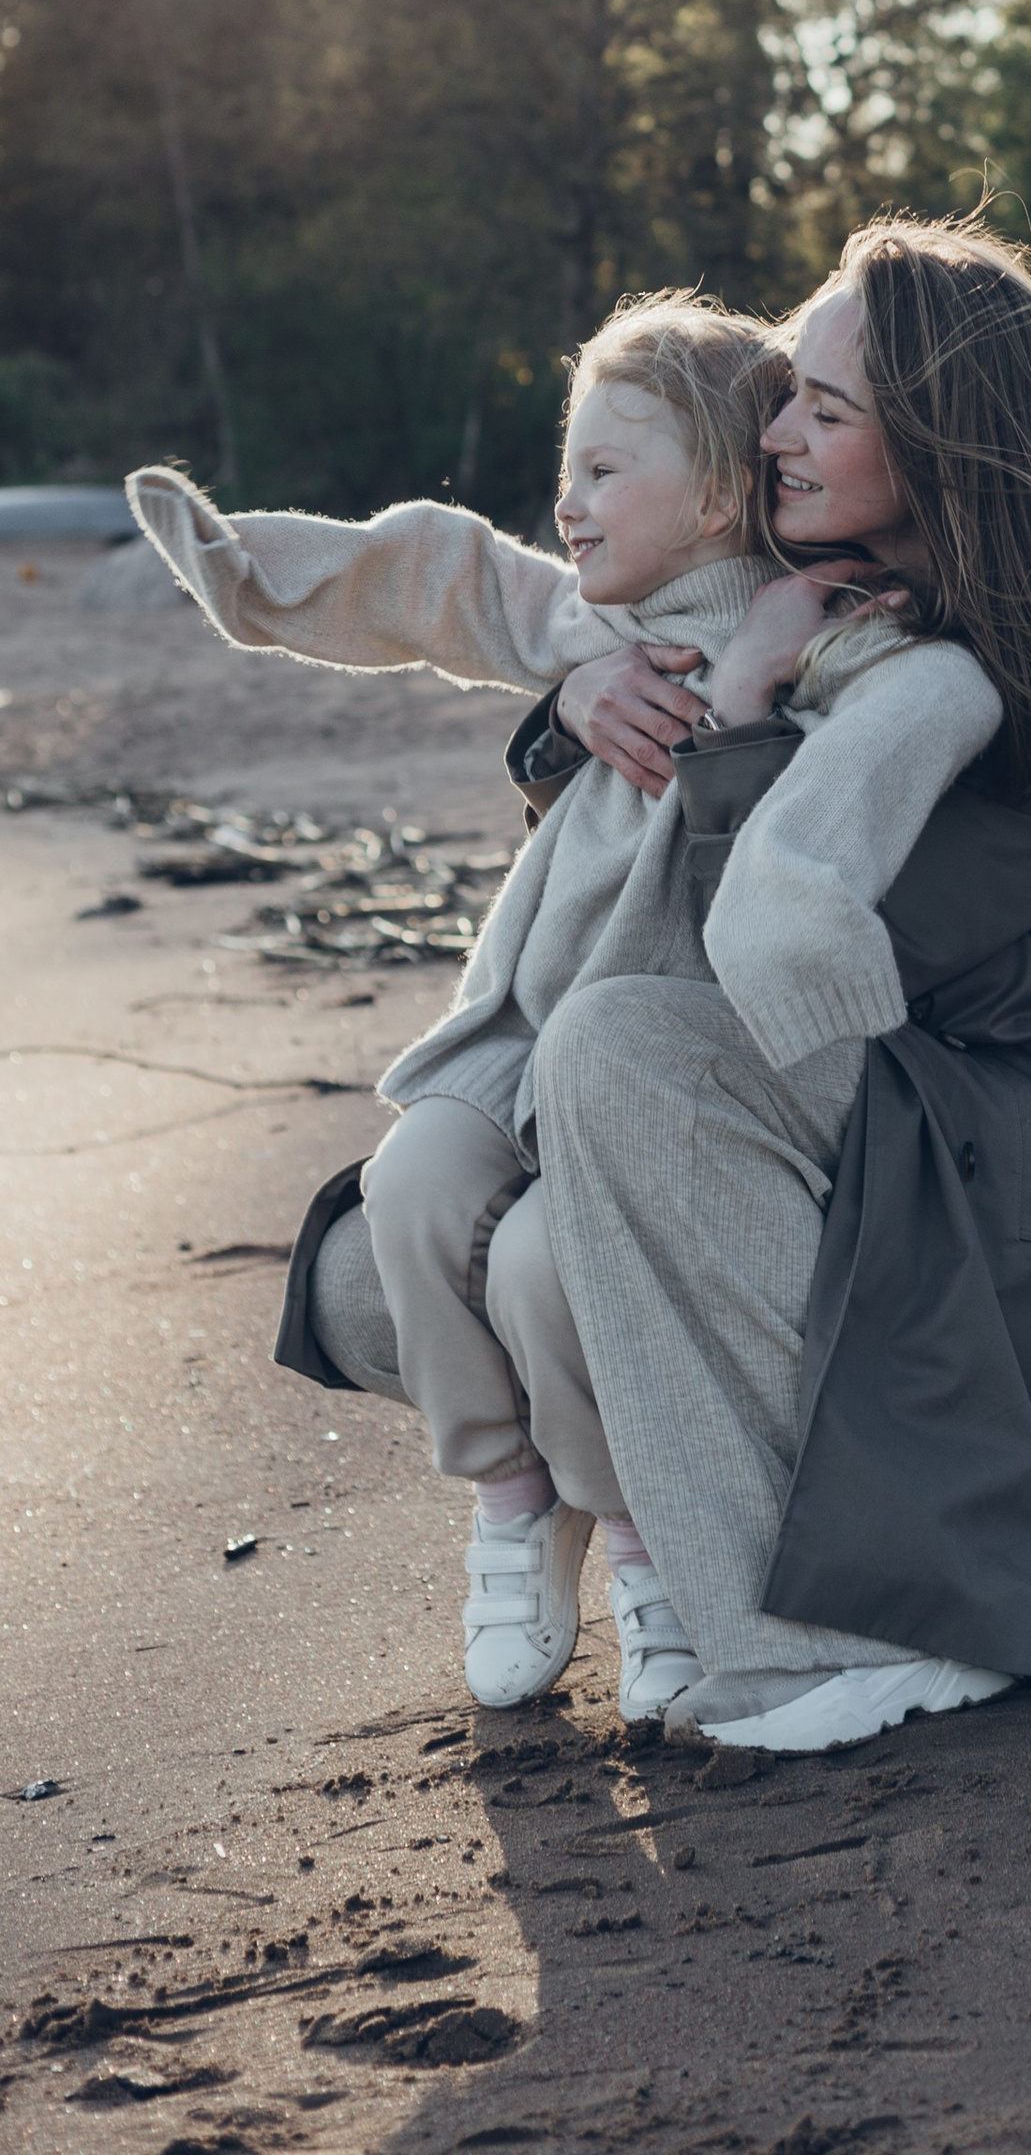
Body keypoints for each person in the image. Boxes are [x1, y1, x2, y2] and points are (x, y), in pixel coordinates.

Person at [474, 216, 1031, 1753]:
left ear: (942, 441)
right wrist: (573, 709)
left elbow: (820, 958)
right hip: (879, 1104)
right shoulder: (825, 594)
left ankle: (848, 1633)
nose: (778, 432)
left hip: (996, 1150)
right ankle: (707, 1598)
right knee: (478, 1210)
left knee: (620, 1051)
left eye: (826, 407)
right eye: (785, 394)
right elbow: (622, 753)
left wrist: (742, 704)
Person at [128, 292, 908, 1722]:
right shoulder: (581, 619)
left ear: (725, 487)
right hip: (526, 1035)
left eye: (608, 471)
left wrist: (787, 656)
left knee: (555, 1267)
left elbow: (909, 717)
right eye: (572, 468)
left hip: (676, 1064)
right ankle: (508, 1500)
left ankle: (639, 1536)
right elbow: (436, 572)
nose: (570, 501)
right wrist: (242, 571)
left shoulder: (814, 629)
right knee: (413, 1181)